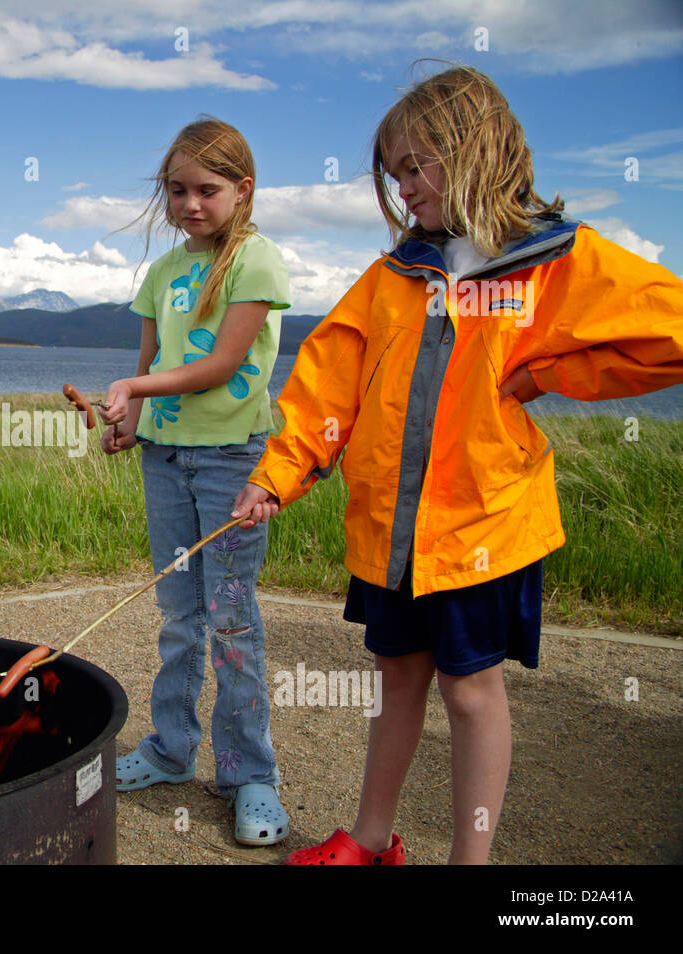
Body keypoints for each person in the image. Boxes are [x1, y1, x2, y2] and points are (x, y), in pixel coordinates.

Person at [232, 65, 683, 864]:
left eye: (417, 166)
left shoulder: (553, 264)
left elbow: (668, 329)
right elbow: (325, 384)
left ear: (478, 151)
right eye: (395, 173)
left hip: (483, 526)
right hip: (389, 534)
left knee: (470, 692)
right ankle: (372, 839)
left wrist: (552, 371)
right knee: (396, 675)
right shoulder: (392, 278)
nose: (404, 189)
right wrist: (280, 473)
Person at [98, 116, 291, 846]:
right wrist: (126, 417)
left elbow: (217, 366)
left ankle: (250, 777)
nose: (189, 204)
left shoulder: (257, 261)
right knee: (181, 614)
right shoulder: (161, 273)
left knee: (234, 619)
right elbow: (148, 371)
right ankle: (171, 750)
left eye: (207, 190)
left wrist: (132, 381)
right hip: (163, 459)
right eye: (176, 190)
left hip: (231, 460)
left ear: (243, 189)